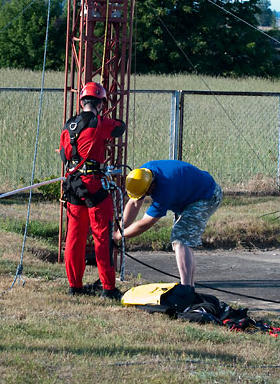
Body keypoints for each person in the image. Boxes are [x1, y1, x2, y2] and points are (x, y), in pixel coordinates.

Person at [60, 81, 126, 298]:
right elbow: (120, 127)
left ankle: (74, 286)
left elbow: (64, 155)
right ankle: (108, 288)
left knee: (74, 237)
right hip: (93, 185)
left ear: (81, 102)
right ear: (100, 103)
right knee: (102, 236)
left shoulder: (69, 125)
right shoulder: (99, 123)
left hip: (73, 185)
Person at [113, 160, 222, 289]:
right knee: (182, 240)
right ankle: (189, 287)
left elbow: (145, 224)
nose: (147, 196)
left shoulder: (164, 189)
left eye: (147, 194)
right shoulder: (142, 175)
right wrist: (120, 229)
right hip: (192, 194)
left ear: (151, 186)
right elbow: (134, 203)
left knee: (180, 238)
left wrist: (119, 235)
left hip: (207, 196)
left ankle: (186, 288)